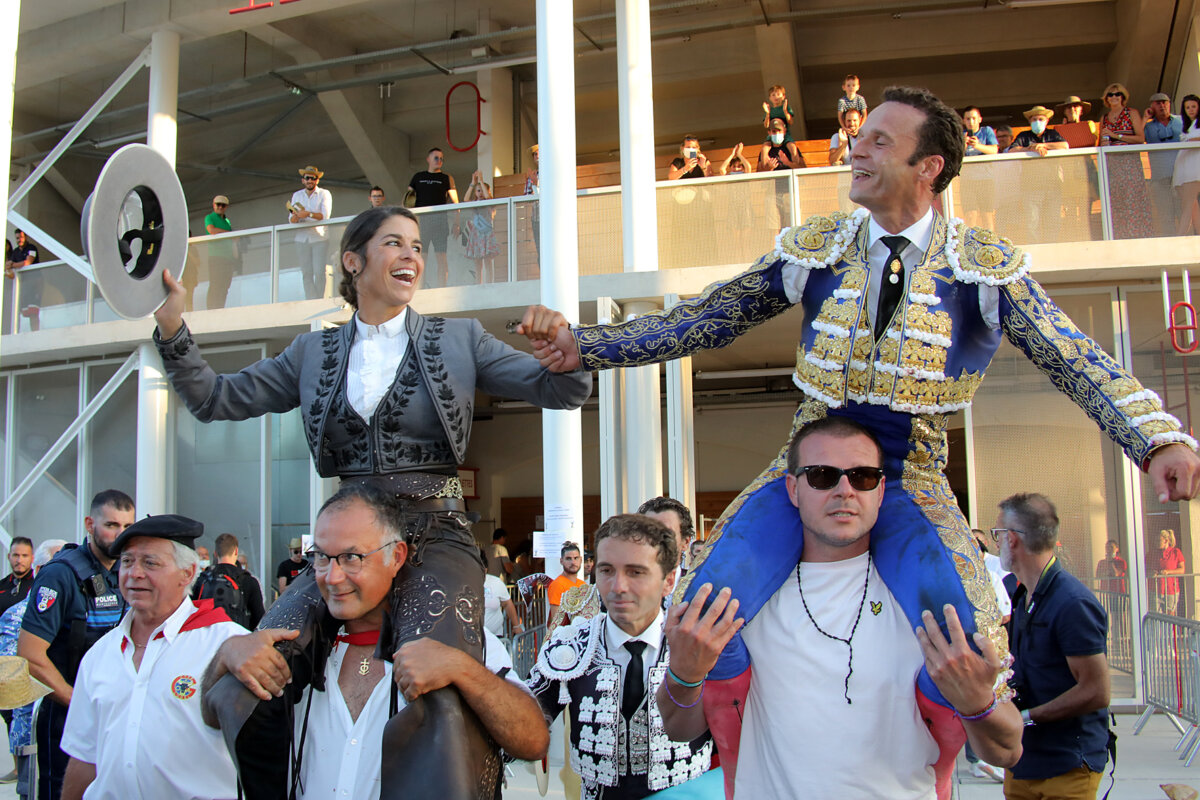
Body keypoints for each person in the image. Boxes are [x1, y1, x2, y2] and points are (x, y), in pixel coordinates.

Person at [520, 84, 1200, 797]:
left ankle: (930, 761)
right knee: (703, 607)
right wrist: (585, 346)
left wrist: (1155, 439)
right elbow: (708, 318)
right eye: (860, 135)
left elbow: (1072, 354)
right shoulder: (819, 247)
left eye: (880, 140)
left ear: (929, 166)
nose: (857, 147)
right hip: (808, 467)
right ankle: (729, 755)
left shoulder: (985, 265)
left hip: (912, 475)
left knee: (963, 635)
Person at [153, 204, 590, 795]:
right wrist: (173, 326)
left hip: (437, 538)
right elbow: (214, 399)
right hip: (347, 545)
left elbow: (556, 388)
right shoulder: (310, 354)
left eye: (415, 245)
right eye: (394, 243)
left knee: (439, 689)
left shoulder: (460, 338)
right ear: (353, 262)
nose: (411, 254)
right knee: (242, 686)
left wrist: (568, 350)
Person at [656, 418, 1021, 798]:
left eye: (862, 476)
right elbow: (679, 729)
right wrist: (685, 673)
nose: (844, 490)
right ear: (793, 489)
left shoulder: (928, 610)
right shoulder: (740, 606)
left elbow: (1008, 750)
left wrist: (977, 702)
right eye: (822, 476)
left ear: (880, 490)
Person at [200, 482, 548, 798]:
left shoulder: (457, 641)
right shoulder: (294, 647)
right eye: (321, 557)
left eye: (351, 558)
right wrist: (227, 655)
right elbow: (215, 716)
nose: (332, 577)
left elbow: (533, 741)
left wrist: (463, 670)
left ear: (396, 556)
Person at [58, 515, 245, 800]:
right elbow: (84, 758)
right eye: (127, 561)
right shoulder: (100, 655)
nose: (134, 574)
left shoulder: (227, 644)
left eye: (150, 563)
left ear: (188, 573)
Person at [527, 514, 713, 800]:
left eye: (636, 572)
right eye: (606, 571)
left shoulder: (702, 642)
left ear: (669, 580)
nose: (617, 587)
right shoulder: (570, 646)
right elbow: (523, 719)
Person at [19, 490, 134, 800]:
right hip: (67, 714)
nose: (120, 535)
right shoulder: (60, 574)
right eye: (111, 525)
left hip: (114, 715)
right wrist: (81, 704)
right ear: (89, 524)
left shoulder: (127, 573)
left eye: (127, 526)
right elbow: (30, 655)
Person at [997, 493, 1112, 799]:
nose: (996, 543)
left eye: (998, 534)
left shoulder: (1072, 603)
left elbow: (1096, 691)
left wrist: (1026, 717)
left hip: (1067, 764)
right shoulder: (1020, 594)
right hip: (1023, 759)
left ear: (1012, 539)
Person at [0, 539, 65, 795]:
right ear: (40, 572)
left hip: (70, 726)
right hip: (34, 732)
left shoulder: (76, 611)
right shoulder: (19, 615)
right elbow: (11, 681)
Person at [1098, 82, 1154, 239]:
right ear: (1106, 98)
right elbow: (1101, 141)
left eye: (1118, 94)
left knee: (1133, 198)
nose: (1114, 97)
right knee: (1117, 200)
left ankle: (1138, 235)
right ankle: (1120, 236)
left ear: (1123, 97)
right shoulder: (1104, 118)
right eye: (1111, 94)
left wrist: (1117, 136)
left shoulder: (1131, 113)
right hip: (1113, 165)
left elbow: (1140, 138)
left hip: (1130, 163)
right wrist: (1104, 142)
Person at [407, 147, 459, 287]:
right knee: (421, 256)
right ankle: (421, 287)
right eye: (436, 158)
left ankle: (442, 287)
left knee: (441, 256)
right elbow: (407, 200)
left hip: (440, 221)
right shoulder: (418, 177)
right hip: (422, 221)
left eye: (442, 158)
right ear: (428, 159)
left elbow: (456, 202)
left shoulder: (446, 178)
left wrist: (456, 223)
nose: (439, 161)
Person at [192, 533, 265, 630]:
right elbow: (259, 618)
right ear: (236, 552)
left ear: (215, 554)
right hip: (238, 639)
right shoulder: (248, 581)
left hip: (207, 639)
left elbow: (191, 611)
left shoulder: (202, 579)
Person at [287, 165, 334, 300]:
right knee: (306, 272)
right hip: (301, 238)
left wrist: (308, 214)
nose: (310, 180)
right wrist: (296, 217)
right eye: (307, 178)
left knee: (319, 272)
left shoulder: (324, 193)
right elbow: (291, 219)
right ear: (303, 180)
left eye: (313, 178)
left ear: (317, 180)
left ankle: (318, 299)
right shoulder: (297, 195)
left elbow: (325, 216)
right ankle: (311, 299)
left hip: (319, 237)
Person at [1145, 92, 1183, 235]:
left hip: (1181, 178)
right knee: (1165, 216)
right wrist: (1145, 118)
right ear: (1152, 107)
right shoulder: (1148, 127)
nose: (1162, 105)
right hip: (1160, 179)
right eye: (1158, 103)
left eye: (1165, 102)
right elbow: (1138, 138)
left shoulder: (1181, 121)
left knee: (1184, 213)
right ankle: (1172, 250)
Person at [637, 496, 695, 586]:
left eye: (666, 534)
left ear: (686, 542)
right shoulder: (624, 588)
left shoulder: (698, 588)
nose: (656, 539)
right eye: (649, 532)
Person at [463, 171, 500, 284]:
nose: (481, 193)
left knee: (487, 260)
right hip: (476, 233)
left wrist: (482, 181)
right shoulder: (475, 202)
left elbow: (488, 198)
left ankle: (489, 283)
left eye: (482, 190)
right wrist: (472, 183)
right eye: (478, 191)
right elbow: (465, 199)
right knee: (477, 261)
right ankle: (478, 284)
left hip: (486, 232)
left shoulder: (489, 202)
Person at [203, 195, 236, 310]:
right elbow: (211, 230)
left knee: (225, 285)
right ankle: (211, 309)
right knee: (215, 284)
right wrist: (228, 233)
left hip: (228, 258)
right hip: (215, 257)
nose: (220, 207)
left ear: (226, 207)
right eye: (218, 204)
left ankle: (220, 308)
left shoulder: (227, 221)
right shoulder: (209, 217)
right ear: (214, 205)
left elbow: (233, 239)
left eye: (223, 205)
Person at [1175, 94, 1200, 236]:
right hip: (1184, 168)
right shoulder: (1186, 126)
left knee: (1188, 204)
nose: (1190, 110)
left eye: (1193, 106)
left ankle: (1180, 236)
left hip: (1194, 169)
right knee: (1193, 206)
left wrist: (1190, 142)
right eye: (1187, 107)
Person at [481, 553, 522, 640]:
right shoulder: (463, 583)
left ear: (486, 569)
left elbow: (507, 604)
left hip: (495, 636)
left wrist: (516, 626)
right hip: (472, 641)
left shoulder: (496, 582)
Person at [6, 230, 41, 331]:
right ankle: (16, 332)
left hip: (34, 284)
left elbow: (28, 262)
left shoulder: (32, 248)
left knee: (33, 311)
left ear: (25, 237)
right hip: (23, 285)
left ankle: (35, 334)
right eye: (17, 238)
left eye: (21, 237)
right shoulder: (16, 252)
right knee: (20, 310)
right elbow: (9, 266)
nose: (19, 240)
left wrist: (12, 265)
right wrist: (9, 266)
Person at [548, 542, 586, 622]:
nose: (573, 562)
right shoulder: (557, 585)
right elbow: (556, 621)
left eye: (576, 558)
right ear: (561, 561)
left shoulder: (583, 584)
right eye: (568, 558)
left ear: (581, 560)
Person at [1153, 528, 1186, 615]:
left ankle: (1172, 629)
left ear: (1166, 540)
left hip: (1171, 589)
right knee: (1157, 616)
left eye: (1159, 540)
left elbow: (1182, 570)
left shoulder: (1176, 552)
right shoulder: (1155, 554)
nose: (1156, 542)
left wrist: (1168, 572)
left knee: (1170, 615)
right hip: (1158, 589)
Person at [0, 538, 35, 617]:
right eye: (16, 555)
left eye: (24, 556)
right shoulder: (1, 586)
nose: (19, 560)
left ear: (32, 558)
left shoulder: (38, 584)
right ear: (9, 556)